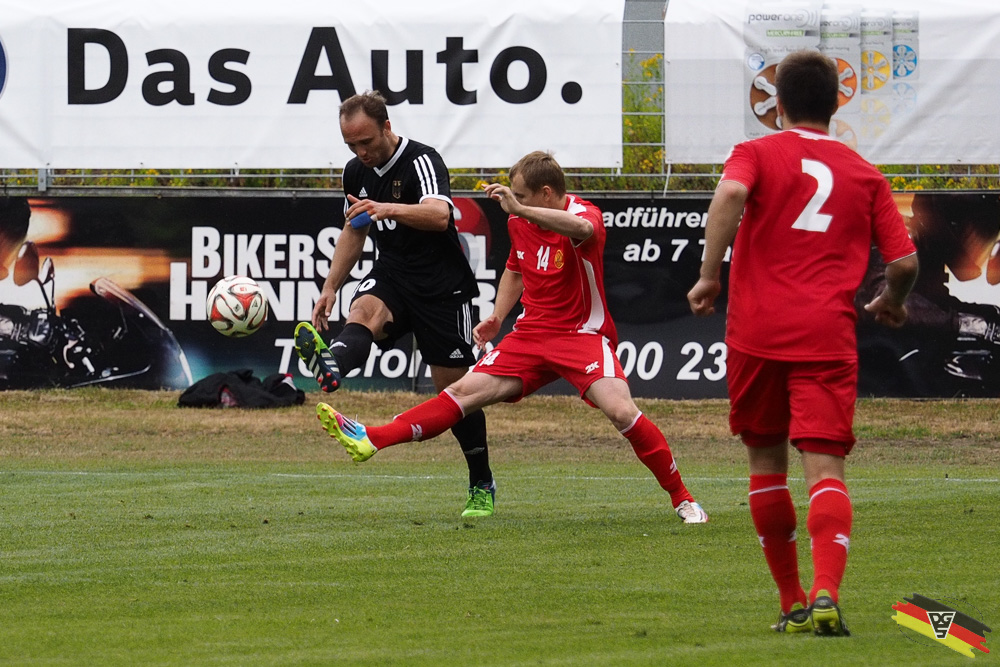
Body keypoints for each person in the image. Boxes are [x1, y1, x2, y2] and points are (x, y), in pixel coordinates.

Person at [314, 151, 709, 524]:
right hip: (530, 336)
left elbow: (583, 230)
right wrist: (497, 317)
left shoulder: (581, 214)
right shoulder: (519, 221)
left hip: (581, 335)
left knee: (621, 411)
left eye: (521, 195)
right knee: (460, 394)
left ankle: (683, 498)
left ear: (546, 194)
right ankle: (371, 438)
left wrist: (520, 208)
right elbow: (515, 269)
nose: (514, 202)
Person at [687, 50, 918, 635]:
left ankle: (791, 602)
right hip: (826, 336)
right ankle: (826, 592)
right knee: (825, 469)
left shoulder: (755, 153)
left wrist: (710, 275)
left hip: (756, 332)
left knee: (766, 463)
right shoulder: (865, 174)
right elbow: (905, 262)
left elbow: (730, 197)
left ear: (777, 105)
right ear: (837, 103)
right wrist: (891, 300)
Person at [293, 91, 495, 518]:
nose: (360, 152)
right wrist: (330, 286)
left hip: (442, 289)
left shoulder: (422, 160)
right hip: (394, 275)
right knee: (363, 311)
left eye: (366, 141)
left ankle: (481, 481)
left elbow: (439, 215)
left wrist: (387, 208)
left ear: (386, 127)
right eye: (351, 145)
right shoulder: (355, 172)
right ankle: (333, 366)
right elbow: (354, 230)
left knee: (456, 395)